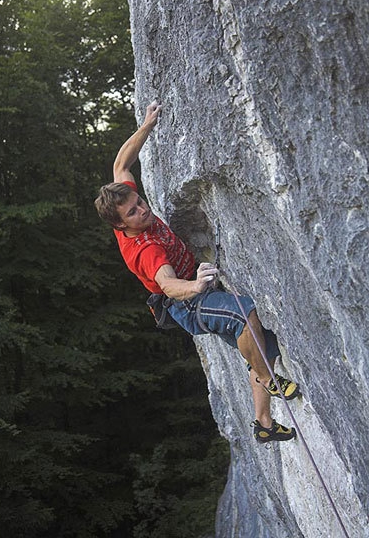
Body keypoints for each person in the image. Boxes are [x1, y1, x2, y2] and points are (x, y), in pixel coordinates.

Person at [95, 100, 300, 444]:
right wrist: (195, 284)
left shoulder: (125, 200)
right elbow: (168, 285)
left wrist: (146, 125)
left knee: (260, 343)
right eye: (134, 212)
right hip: (187, 304)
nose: (144, 210)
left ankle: (263, 423)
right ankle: (268, 380)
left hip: (192, 289)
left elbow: (121, 163)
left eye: (141, 203)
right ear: (119, 223)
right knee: (243, 314)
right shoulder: (145, 250)